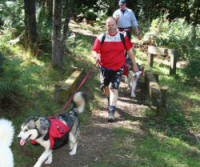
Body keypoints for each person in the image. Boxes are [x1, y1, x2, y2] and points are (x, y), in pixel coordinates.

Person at [92, 17, 138, 122]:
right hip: (104, 67)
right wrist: (96, 56)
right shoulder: (101, 37)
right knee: (105, 86)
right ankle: (110, 99)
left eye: (112, 25)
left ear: (116, 25)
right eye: (108, 25)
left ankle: (111, 111)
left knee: (114, 88)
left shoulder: (123, 36)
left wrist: (134, 65)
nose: (111, 27)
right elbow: (94, 50)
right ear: (106, 26)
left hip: (118, 67)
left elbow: (130, 51)